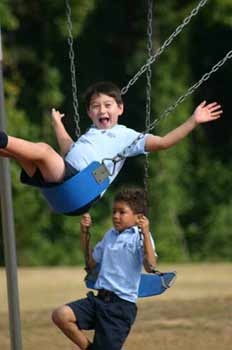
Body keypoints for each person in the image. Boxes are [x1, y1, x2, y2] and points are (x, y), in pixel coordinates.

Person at [0, 81, 223, 190]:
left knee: (43, 150)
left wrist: (193, 121)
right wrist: (58, 124)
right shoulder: (92, 134)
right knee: (15, 153)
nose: (102, 110)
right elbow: (68, 150)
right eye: (95, 106)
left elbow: (164, 142)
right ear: (89, 112)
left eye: (108, 105)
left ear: (120, 109)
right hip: (61, 179)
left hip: (78, 185)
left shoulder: (125, 136)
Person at [52, 187, 158, 350]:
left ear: (139, 218)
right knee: (61, 315)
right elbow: (91, 263)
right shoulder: (110, 235)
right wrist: (84, 232)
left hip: (120, 308)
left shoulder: (140, 236)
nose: (115, 216)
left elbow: (150, 266)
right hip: (99, 300)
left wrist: (145, 232)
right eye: (114, 211)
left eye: (122, 212)